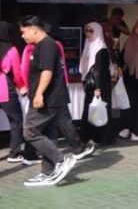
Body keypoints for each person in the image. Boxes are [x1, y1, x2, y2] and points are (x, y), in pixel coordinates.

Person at [19, 15, 92, 187]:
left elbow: (47, 72)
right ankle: (48, 172)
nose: (22, 36)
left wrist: (39, 94)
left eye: (23, 32)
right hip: (52, 98)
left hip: (48, 99)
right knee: (49, 135)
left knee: (30, 131)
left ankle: (60, 161)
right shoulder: (43, 45)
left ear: (34, 29)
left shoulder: (46, 45)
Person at [79, 22, 114, 145]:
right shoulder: (89, 46)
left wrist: (98, 88)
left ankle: (101, 137)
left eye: (91, 31)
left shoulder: (101, 49)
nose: (87, 34)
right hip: (91, 85)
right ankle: (90, 136)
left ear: (98, 32)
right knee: (92, 110)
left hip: (99, 86)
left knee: (99, 109)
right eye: (86, 30)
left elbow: (100, 71)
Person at [1, 21, 29, 163]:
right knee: (16, 120)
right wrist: (22, 87)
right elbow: (17, 73)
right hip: (4, 88)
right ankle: (14, 153)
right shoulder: (11, 49)